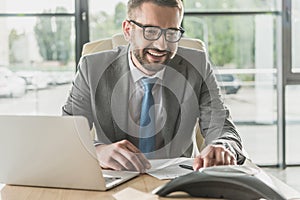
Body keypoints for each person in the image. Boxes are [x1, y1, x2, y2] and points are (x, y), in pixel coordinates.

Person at [62, 0, 246, 173]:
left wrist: (223, 146)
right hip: (114, 180)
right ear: (128, 30)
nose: (161, 45)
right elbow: (67, 134)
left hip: (177, 182)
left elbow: (222, 127)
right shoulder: (92, 68)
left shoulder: (197, 65)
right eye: (150, 31)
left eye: (172, 33)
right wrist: (97, 151)